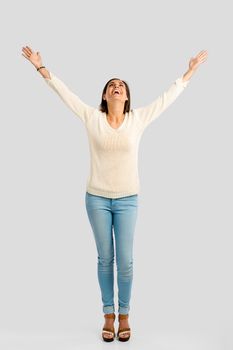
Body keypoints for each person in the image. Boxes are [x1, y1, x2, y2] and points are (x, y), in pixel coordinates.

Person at [21, 46, 208, 342]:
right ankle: (108, 315)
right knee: (104, 258)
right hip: (96, 198)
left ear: (127, 96)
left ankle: (125, 315)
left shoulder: (138, 119)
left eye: (121, 85)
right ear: (105, 97)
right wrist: (41, 68)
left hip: (128, 200)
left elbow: (166, 99)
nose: (116, 87)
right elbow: (65, 93)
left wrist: (190, 71)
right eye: (111, 86)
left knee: (126, 260)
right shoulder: (92, 117)